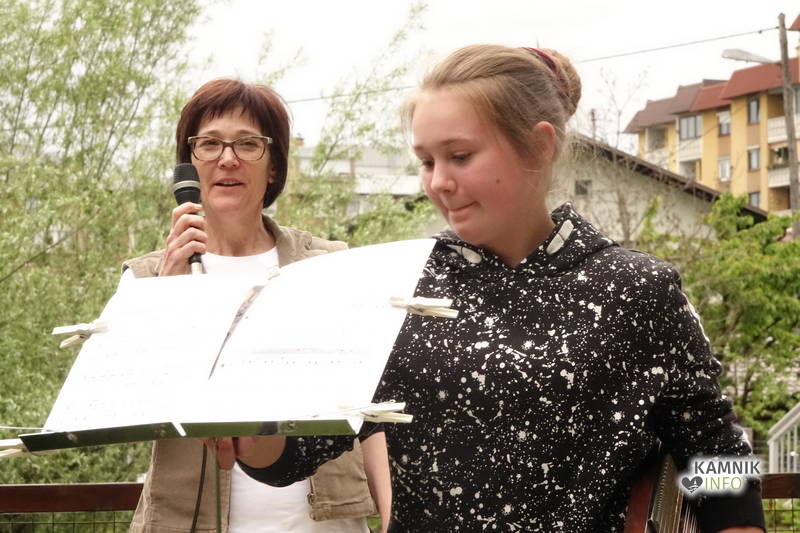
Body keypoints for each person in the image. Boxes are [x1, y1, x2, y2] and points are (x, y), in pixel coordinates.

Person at [212, 46, 766, 532]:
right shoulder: (394, 285)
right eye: (426, 161)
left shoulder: (636, 290)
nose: (439, 182)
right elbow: (303, 447)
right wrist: (249, 436)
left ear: (539, 146)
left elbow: (714, 451)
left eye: (460, 156)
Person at [122, 78, 391, 533]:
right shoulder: (147, 279)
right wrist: (167, 302)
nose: (227, 159)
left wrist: (391, 518)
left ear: (273, 167)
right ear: (189, 168)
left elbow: (373, 411)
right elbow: (129, 409)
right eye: (209, 144)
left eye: (248, 144)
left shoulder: (328, 266)